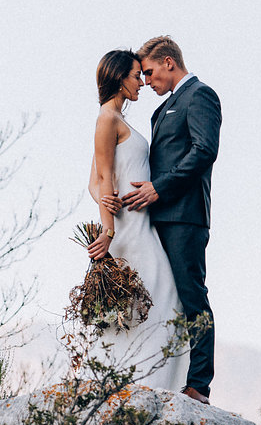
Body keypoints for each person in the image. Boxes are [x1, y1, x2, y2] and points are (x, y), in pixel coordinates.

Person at [120, 35, 221, 406]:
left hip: (184, 218)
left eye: (149, 73)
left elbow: (204, 150)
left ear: (168, 62)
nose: (147, 82)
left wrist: (158, 189)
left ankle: (199, 385)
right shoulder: (162, 110)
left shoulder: (200, 96)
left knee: (193, 296)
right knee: (167, 299)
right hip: (157, 219)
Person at [85, 49, 188, 391]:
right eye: (134, 75)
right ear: (117, 78)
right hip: (129, 232)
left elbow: (94, 183)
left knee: (159, 303)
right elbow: (101, 180)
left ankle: (150, 387)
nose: (141, 83)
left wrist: (108, 198)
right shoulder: (106, 119)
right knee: (164, 301)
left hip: (139, 224)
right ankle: (148, 388)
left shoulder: (117, 120)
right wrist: (110, 229)